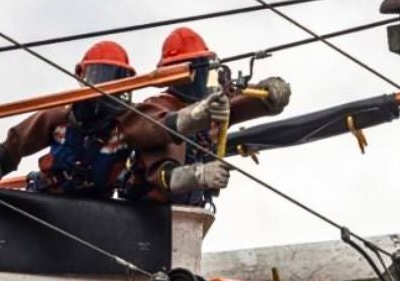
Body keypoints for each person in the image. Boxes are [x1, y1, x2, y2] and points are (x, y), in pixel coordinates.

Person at [120, 26, 292, 204]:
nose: (201, 76)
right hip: (148, 210)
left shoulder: (212, 103)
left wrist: (269, 94)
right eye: (197, 68)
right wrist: (198, 175)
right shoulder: (158, 105)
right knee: (167, 137)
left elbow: (236, 105)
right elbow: (156, 135)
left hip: (190, 211)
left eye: (204, 67)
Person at [0, 41, 137, 199]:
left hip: (99, 209)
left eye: (117, 79)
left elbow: (155, 133)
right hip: (49, 199)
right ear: (82, 77)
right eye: (101, 76)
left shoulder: (128, 126)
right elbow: (15, 145)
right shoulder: (60, 118)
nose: (108, 86)